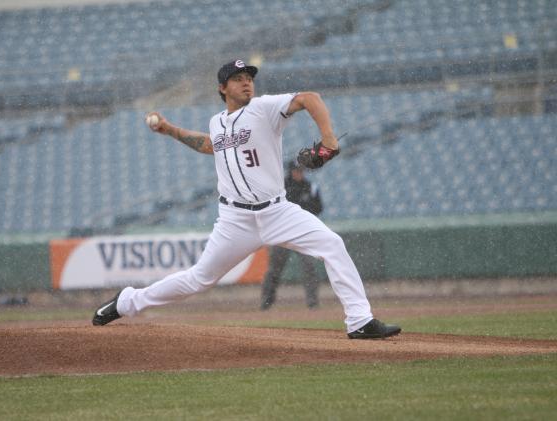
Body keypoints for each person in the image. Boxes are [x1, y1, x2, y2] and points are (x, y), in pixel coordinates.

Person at [93, 59, 401, 339]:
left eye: (249, 77)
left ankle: (359, 320)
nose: (246, 82)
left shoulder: (264, 108)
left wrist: (329, 139)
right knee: (199, 279)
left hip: (277, 212)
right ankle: (126, 302)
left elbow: (310, 99)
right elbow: (209, 145)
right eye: (238, 78)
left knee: (332, 244)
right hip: (235, 220)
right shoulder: (217, 122)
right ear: (222, 88)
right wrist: (170, 129)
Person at [260, 160, 323, 310]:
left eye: (301, 170)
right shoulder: (280, 187)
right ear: (290, 171)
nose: (299, 173)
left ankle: (312, 302)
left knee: (309, 267)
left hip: (303, 234)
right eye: (297, 170)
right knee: (274, 269)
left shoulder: (310, 187)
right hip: (282, 233)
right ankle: (266, 301)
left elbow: (319, 208)